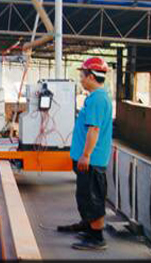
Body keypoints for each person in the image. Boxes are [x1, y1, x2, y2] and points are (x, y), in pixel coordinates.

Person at [57, 57, 113, 251]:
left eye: (82, 75)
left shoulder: (97, 99)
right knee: (86, 196)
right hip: (89, 159)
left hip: (92, 160)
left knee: (92, 198)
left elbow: (94, 129)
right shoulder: (96, 97)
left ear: (91, 76)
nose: (80, 79)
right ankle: (89, 228)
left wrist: (86, 155)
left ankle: (97, 238)